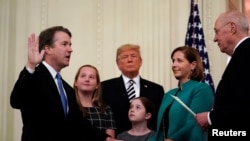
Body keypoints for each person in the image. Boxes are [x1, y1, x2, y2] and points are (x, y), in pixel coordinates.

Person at [10, 26, 115, 141]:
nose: (70, 49)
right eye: (64, 44)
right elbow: (16, 100)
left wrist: (106, 139)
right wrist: (30, 65)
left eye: (70, 45)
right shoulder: (34, 76)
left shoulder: (67, 89)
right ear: (48, 49)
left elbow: (78, 122)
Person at [195, 10, 250, 140]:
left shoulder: (245, 52)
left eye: (216, 31)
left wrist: (210, 118)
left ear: (232, 28)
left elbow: (243, 103)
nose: (214, 38)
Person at [149, 46, 214, 141]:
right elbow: (160, 132)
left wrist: (173, 139)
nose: (174, 64)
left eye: (179, 61)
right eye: (173, 61)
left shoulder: (201, 89)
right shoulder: (168, 94)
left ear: (193, 65)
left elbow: (194, 123)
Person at [101, 43, 165, 135]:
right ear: (118, 64)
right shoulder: (104, 88)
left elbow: (160, 121)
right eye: (125, 57)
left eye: (133, 56)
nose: (130, 60)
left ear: (140, 62)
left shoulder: (156, 89)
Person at [74, 64, 116, 138]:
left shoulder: (105, 109)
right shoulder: (69, 106)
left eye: (91, 77)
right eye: (83, 76)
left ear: (97, 85)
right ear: (76, 82)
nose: (87, 79)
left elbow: (110, 138)